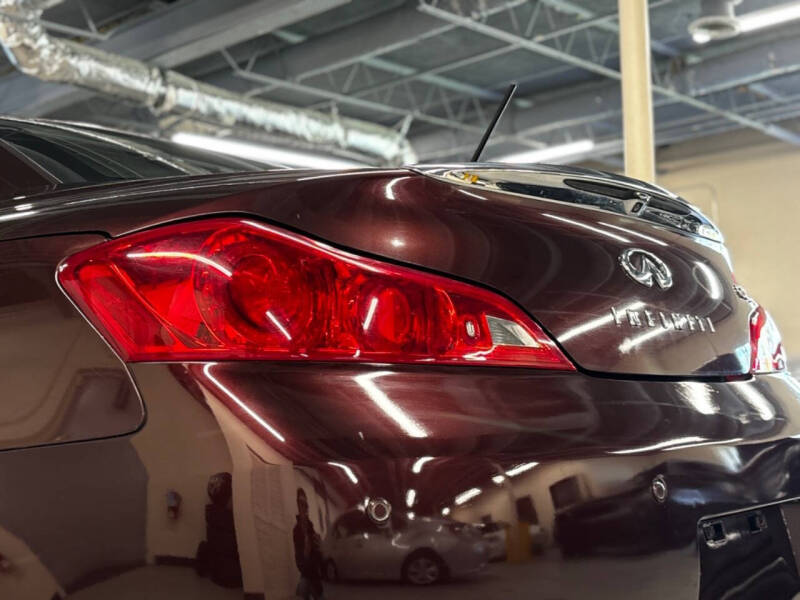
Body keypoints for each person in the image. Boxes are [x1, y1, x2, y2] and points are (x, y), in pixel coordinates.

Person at [293, 487, 325, 600]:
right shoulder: (297, 530)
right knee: (302, 588)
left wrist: (320, 548)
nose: (305, 507)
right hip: (306, 575)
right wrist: (306, 551)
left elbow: (319, 558)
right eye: (301, 504)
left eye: (306, 504)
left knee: (316, 591)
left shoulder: (311, 528)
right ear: (298, 506)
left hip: (315, 576)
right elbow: (300, 561)